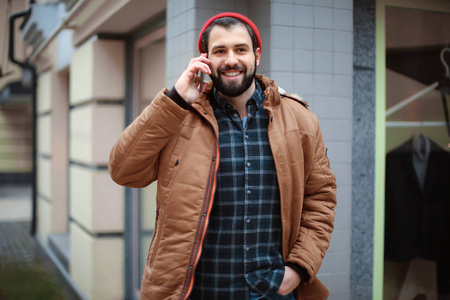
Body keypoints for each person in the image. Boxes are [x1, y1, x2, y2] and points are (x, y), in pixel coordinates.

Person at [109, 12, 337, 300]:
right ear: (205, 59)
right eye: (220, 51)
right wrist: (175, 99)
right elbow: (123, 170)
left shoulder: (299, 119)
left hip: (273, 291)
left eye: (240, 49)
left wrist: (300, 267)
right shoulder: (178, 116)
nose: (231, 60)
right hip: (199, 291)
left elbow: (321, 197)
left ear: (256, 55)